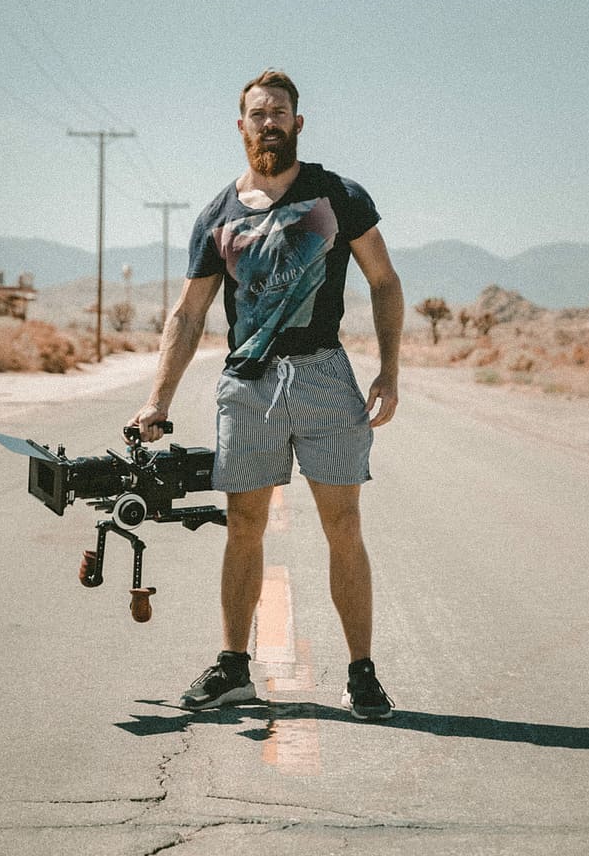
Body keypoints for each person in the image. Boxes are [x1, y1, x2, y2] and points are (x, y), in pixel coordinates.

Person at [128, 69, 404, 720]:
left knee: (344, 525)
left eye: (280, 111)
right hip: (247, 384)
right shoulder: (218, 214)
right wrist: (156, 400)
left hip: (323, 375)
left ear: (298, 123)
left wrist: (389, 371)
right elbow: (189, 314)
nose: (270, 121)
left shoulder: (336, 195)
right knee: (244, 527)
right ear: (241, 126)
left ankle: (362, 674)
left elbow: (385, 281)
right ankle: (233, 668)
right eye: (258, 112)